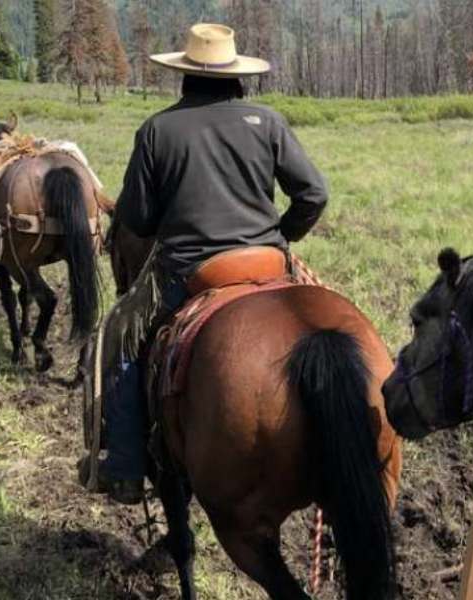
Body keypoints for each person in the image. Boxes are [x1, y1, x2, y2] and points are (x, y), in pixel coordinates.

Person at [85, 23, 329, 504]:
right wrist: (283, 235)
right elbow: (314, 194)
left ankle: (128, 466)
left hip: (191, 269)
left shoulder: (158, 129)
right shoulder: (268, 121)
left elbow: (135, 217)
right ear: (236, 78)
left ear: (185, 77)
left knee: (121, 336)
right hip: (268, 261)